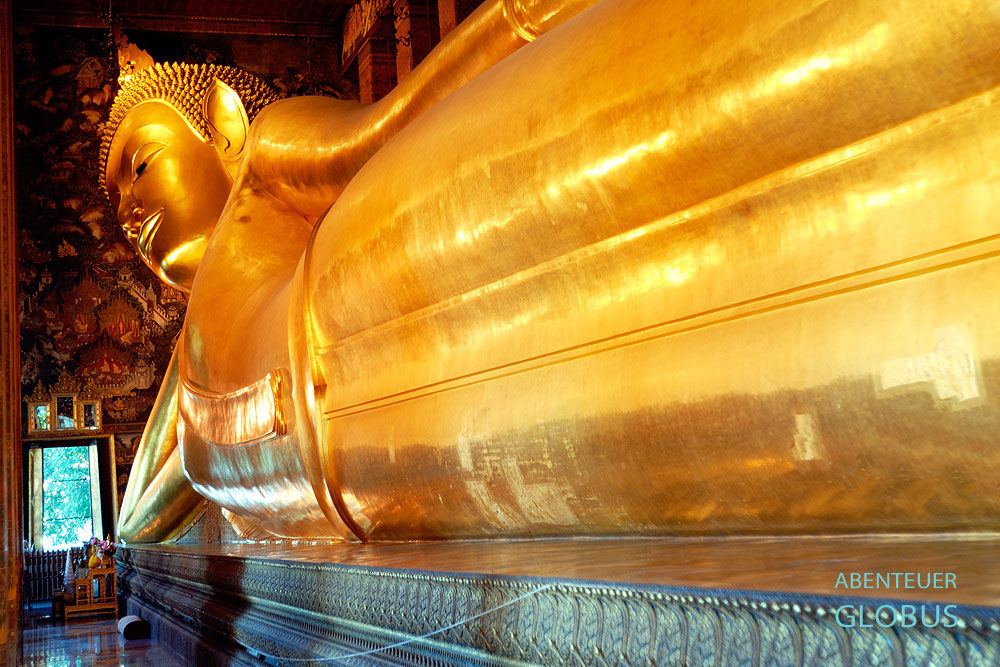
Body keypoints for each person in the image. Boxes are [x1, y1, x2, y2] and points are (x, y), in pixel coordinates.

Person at [111, 0, 1000, 544]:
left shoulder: (269, 157)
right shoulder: (193, 371)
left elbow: (395, 117)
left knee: (659, 151)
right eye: (114, 209)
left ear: (223, 124)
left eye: (140, 166)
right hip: (379, 450)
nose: (129, 214)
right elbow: (150, 498)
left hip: (372, 266)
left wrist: (519, 20)